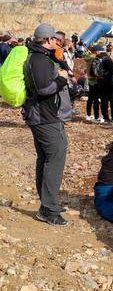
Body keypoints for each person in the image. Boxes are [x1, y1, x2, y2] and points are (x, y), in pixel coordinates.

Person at [23, 24, 73, 227]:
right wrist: (62, 79)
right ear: (48, 40)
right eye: (55, 39)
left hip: (41, 116)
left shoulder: (37, 57)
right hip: (46, 118)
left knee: (45, 159)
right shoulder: (40, 59)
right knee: (55, 159)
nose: (57, 42)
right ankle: (49, 210)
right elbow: (45, 90)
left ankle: (48, 205)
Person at [94, 45, 113, 123]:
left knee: (104, 101)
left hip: (100, 83)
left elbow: (94, 72)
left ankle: (106, 118)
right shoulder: (107, 59)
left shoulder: (95, 60)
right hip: (110, 82)